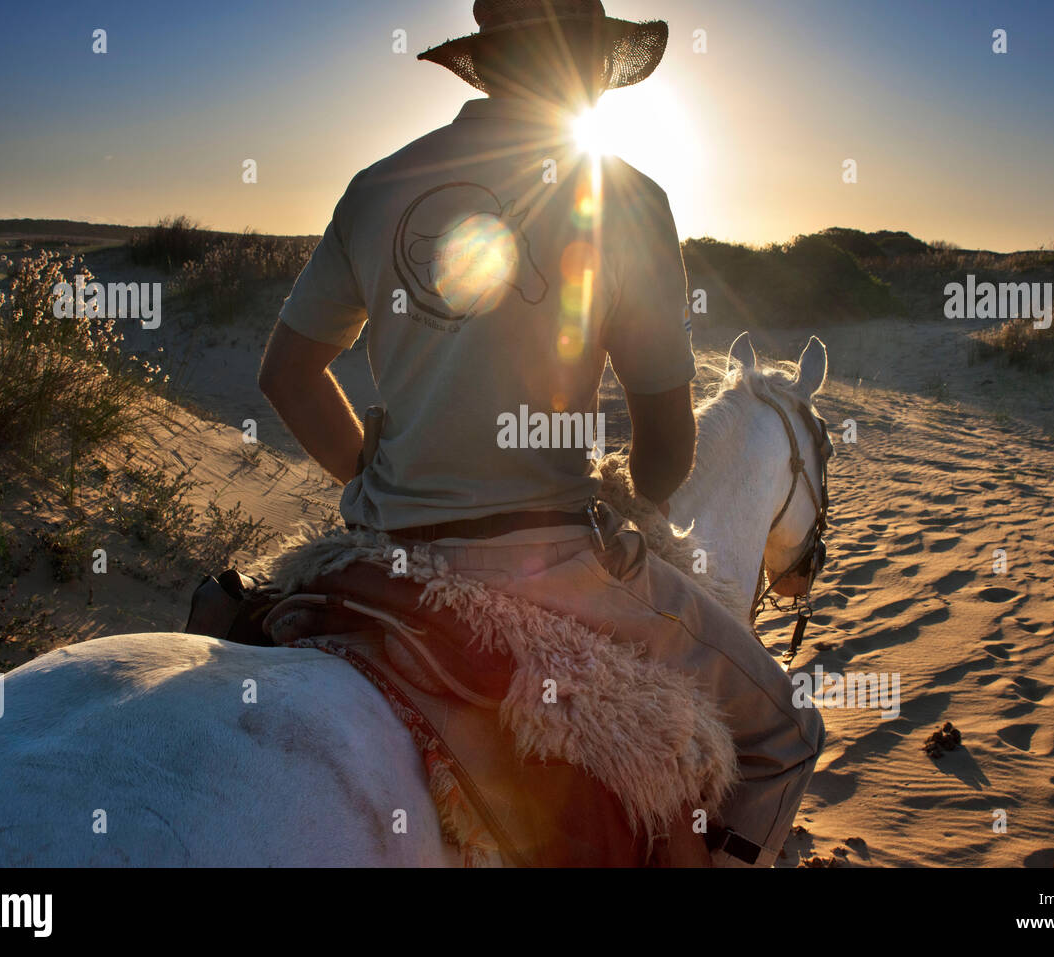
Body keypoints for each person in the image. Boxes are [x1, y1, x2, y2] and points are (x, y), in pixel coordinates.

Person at [259, 0, 823, 866]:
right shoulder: (625, 197)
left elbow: (289, 376)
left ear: (484, 63)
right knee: (782, 729)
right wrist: (633, 478)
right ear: (592, 70)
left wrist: (376, 477)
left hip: (381, 548)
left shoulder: (376, 186)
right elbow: (666, 454)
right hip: (548, 558)